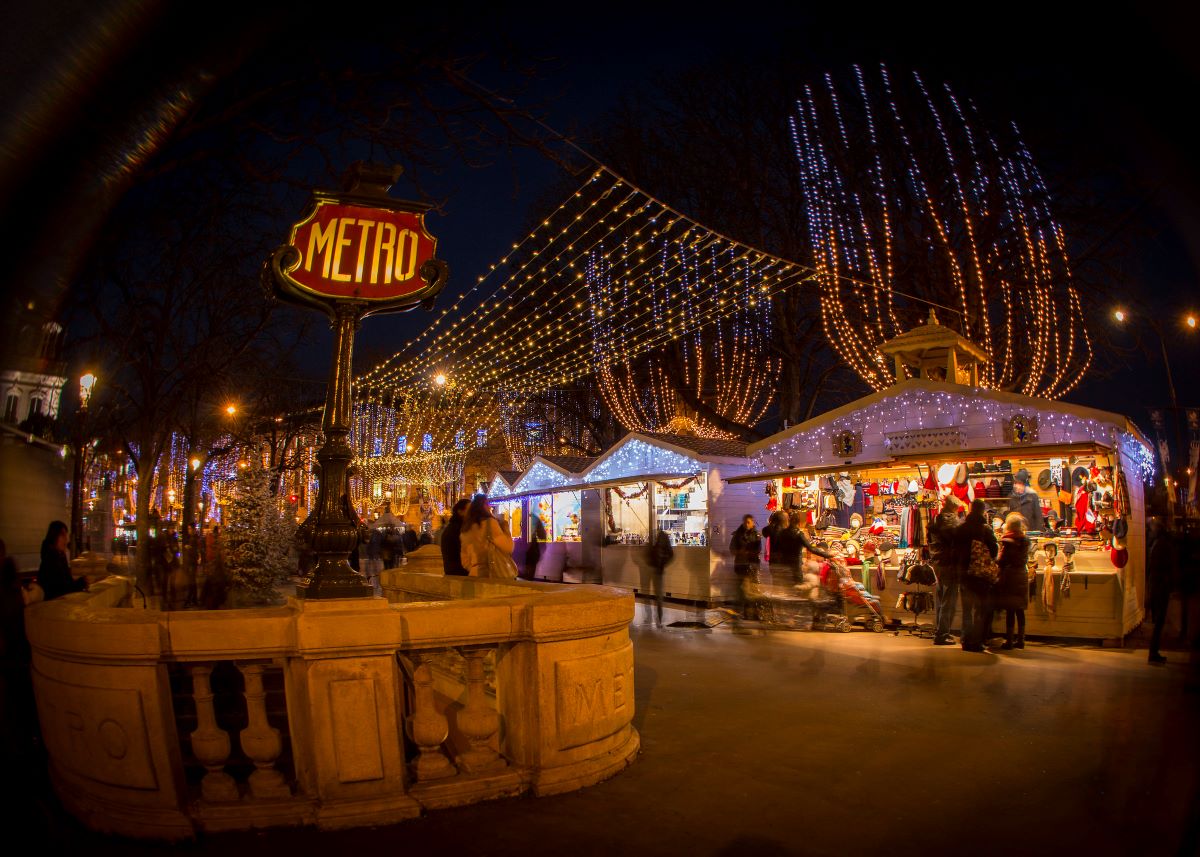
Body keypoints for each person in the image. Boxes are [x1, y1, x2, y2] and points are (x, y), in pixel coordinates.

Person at [955, 499, 998, 652]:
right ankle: (977, 641)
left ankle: (965, 640)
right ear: (982, 511)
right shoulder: (984, 529)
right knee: (980, 609)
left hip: (964, 573)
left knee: (967, 610)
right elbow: (994, 550)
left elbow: (955, 551)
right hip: (980, 575)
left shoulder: (961, 528)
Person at [928, 497, 963, 646]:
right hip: (950, 564)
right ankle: (943, 634)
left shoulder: (936, 520)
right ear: (955, 508)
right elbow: (960, 542)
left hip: (938, 562)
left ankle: (940, 631)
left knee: (941, 598)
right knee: (949, 600)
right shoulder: (953, 522)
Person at [994, 512, 1031, 650]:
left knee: (1010, 610)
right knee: (1020, 610)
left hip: (1010, 577)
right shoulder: (1025, 541)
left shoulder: (1008, 542)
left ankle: (1009, 640)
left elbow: (1002, 561)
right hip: (1022, 575)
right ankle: (1021, 639)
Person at [460, 495, 515, 578]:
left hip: (474, 575)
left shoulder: (465, 529)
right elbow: (508, 547)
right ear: (482, 506)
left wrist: (475, 567)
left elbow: (464, 559)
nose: (490, 507)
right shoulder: (490, 523)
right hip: (493, 574)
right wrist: (506, 529)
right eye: (487, 504)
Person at [1146, 517, 1178, 665]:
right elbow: (1164, 567)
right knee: (1159, 620)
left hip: (1156, 585)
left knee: (1158, 621)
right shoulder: (1163, 545)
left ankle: (1154, 651)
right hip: (1160, 587)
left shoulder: (1156, 544)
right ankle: (1153, 652)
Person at [37, 521, 86, 601]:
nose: (66, 540)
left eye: (66, 536)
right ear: (54, 537)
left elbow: (67, 583)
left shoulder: (61, 557)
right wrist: (79, 584)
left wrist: (80, 582)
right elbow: (59, 589)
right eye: (63, 535)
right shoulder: (49, 561)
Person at [729, 514, 762, 624]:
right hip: (741, 565)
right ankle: (745, 613)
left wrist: (749, 553)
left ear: (753, 523)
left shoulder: (756, 535)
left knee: (751, 590)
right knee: (744, 590)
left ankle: (749, 613)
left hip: (752, 565)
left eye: (749, 522)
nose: (747, 524)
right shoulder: (738, 534)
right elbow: (732, 548)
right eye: (745, 522)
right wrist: (740, 552)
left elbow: (758, 549)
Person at [647, 528, 675, 627]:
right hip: (659, 570)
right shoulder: (663, 543)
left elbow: (650, 556)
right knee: (659, 596)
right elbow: (671, 555)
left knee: (658, 595)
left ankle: (658, 617)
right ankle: (659, 617)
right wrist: (664, 563)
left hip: (656, 570)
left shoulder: (656, 543)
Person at [441, 499, 471, 576]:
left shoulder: (453, 527)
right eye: (469, 510)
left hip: (453, 572)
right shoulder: (458, 529)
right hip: (460, 573)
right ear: (460, 511)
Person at [525, 516, 547, 581]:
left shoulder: (525, 517)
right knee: (531, 566)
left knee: (528, 566)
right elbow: (542, 535)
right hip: (532, 546)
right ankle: (529, 580)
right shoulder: (535, 518)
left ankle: (527, 579)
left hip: (527, 545)